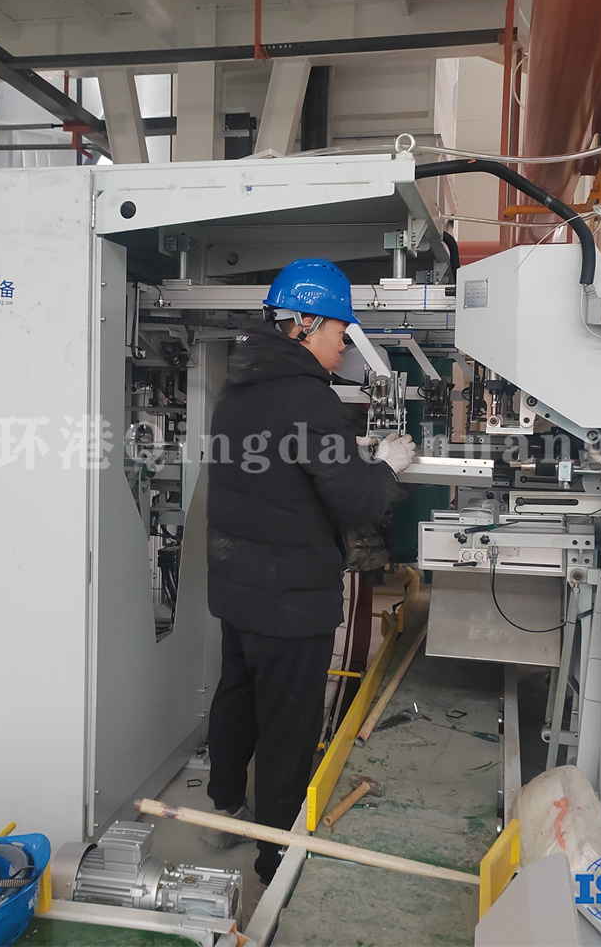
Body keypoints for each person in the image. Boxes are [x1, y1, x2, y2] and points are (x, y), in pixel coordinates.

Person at [203, 258, 416, 885]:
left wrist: (352, 458)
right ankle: (274, 854)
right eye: (341, 331)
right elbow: (356, 501)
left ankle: (225, 809)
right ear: (306, 324)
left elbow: (282, 472)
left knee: (237, 696)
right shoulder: (307, 398)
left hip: (238, 585)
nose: (345, 345)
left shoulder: (236, 389)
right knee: (289, 725)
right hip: (290, 599)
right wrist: (388, 465)